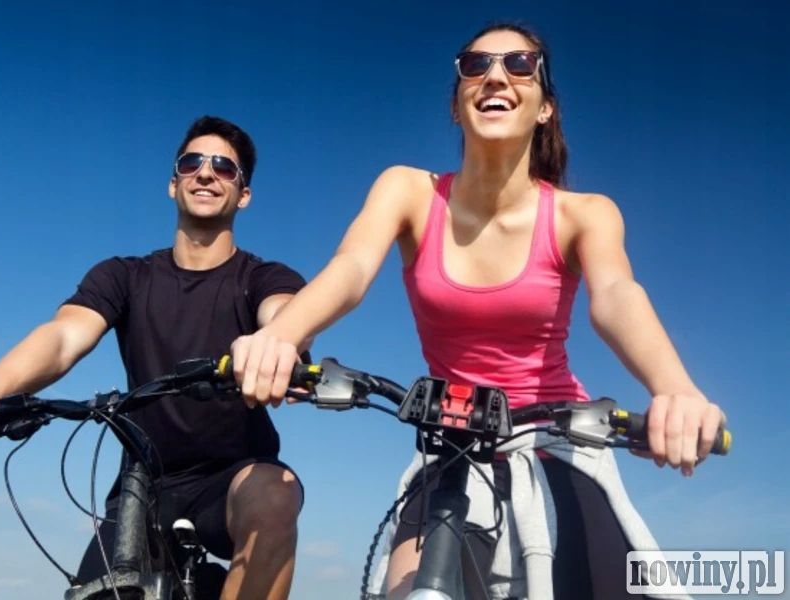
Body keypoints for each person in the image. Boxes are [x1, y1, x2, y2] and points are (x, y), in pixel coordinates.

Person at [229, 23, 726, 599]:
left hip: (559, 438)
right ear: (456, 104)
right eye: (475, 64)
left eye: (519, 64)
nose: (495, 76)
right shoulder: (408, 190)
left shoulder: (585, 213)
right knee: (407, 589)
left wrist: (676, 390)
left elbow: (616, 295)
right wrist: (282, 335)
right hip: (452, 443)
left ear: (545, 108)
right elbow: (351, 269)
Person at [0, 115, 308, 600]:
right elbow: (64, 336)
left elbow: (285, 315)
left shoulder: (262, 278)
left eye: (224, 167)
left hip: (235, 479)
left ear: (244, 194)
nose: (206, 173)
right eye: (192, 162)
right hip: (142, 483)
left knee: (276, 495)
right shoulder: (125, 276)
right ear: (173, 184)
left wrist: (278, 341)